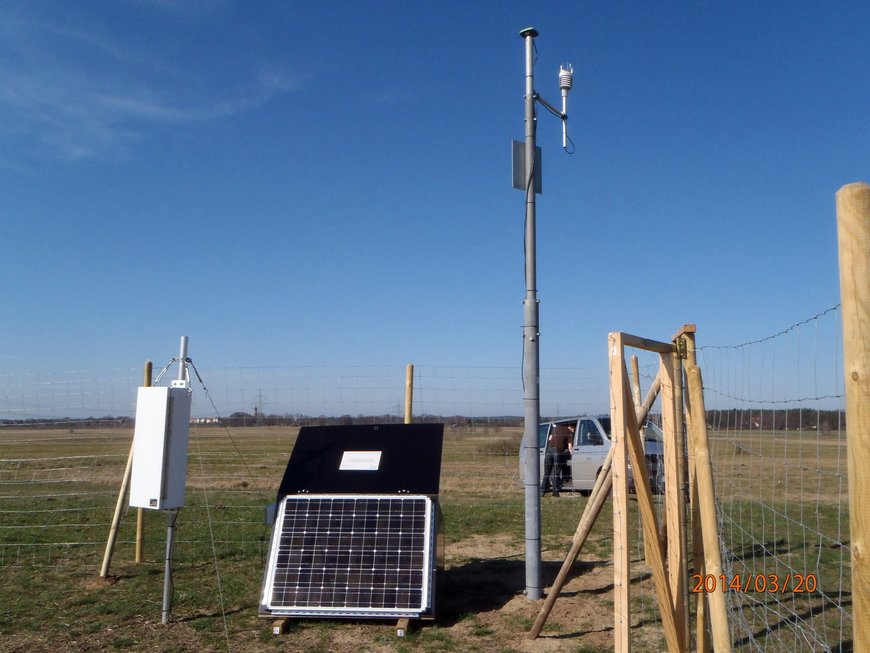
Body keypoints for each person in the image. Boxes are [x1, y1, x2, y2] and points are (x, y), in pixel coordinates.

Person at [541, 423, 573, 497]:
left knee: (547, 472)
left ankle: (542, 491)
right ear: (570, 427)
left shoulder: (555, 429)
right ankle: (555, 492)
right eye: (573, 428)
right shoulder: (569, 432)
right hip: (557, 452)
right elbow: (570, 446)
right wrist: (572, 455)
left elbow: (550, 439)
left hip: (549, 450)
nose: (573, 430)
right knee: (556, 473)